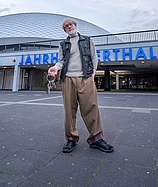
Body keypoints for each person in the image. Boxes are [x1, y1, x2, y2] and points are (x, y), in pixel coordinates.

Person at [48, 19, 114, 153]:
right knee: (69, 111)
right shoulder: (63, 44)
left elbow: (93, 57)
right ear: (65, 30)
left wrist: (93, 73)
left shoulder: (88, 40)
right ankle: (71, 139)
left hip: (85, 78)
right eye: (66, 26)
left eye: (70, 24)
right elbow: (61, 61)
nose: (69, 26)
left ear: (75, 26)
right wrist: (55, 67)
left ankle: (96, 139)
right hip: (67, 79)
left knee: (91, 107)